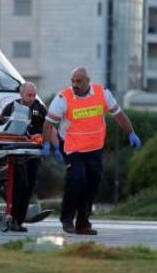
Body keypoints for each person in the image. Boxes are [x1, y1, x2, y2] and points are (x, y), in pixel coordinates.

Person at [43, 67, 142, 235]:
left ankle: (83, 223)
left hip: (94, 148)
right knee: (76, 179)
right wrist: (46, 144)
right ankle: (67, 219)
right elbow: (48, 124)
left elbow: (118, 114)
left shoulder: (102, 93)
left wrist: (131, 133)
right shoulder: (63, 98)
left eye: (78, 81)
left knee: (92, 182)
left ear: (88, 81)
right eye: (72, 81)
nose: (74, 84)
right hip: (71, 147)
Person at [0, 82, 47, 232]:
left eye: (34, 95)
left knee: (30, 186)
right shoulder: (11, 108)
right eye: (29, 95)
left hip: (34, 153)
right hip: (17, 153)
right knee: (20, 185)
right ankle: (12, 218)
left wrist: (51, 146)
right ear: (21, 94)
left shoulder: (39, 109)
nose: (32, 98)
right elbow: (2, 128)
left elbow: (49, 127)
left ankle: (18, 221)